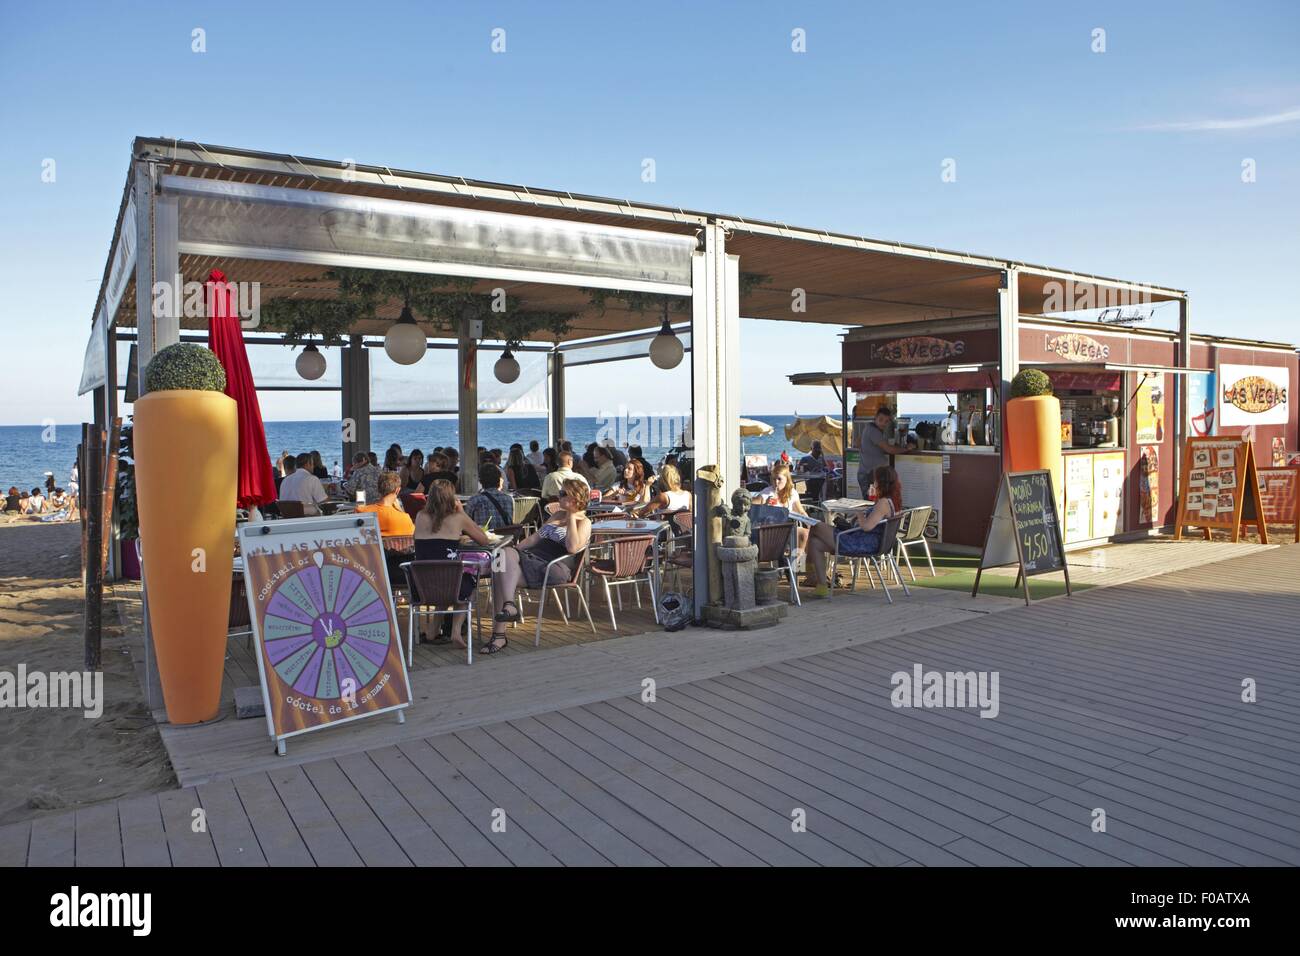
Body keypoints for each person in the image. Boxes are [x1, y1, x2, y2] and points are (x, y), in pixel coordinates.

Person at [485, 478, 592, 655]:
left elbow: (573, 547)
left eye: (563, 494)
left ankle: (501, 630)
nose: (558, 496)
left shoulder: (583, 522)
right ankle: (501, 629)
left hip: (554, 567)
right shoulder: (557, 516)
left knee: (501, 568)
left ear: (575, 499)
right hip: (534, 559)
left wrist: (572, 515)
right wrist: (513, 554)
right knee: (501, 564)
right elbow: (533, 540)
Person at [410, 479, 494, 648]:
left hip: (421, 584)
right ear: (451, 497)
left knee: (444, 577)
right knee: (466, 582)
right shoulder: (457, 518)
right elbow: (483, 539)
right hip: (450, 583)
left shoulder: (420, 516)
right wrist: (462, 513)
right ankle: (456, 630)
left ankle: (433, 630)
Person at [806, 465, 899, 597]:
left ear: (881, 482)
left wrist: (860, 515)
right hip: (867, 541)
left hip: (862, 544)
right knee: (815, 543)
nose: (873, 483)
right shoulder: (890, 501)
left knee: (817, 526)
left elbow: (867, 527)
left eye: (875, 481)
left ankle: (808, 565)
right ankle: (821, 586)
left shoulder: (883, 503)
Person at [752, 460, 809, 551]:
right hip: (770, 531)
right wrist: (765, 506)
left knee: (808, 535)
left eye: (779, 479)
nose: (776, 482)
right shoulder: (766, 493)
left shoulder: (792, 493)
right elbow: (751, 510)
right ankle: (792, 560)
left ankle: (797, 560)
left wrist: (810, 524)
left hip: (787, 528)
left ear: (787, 479)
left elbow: (801, 511)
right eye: (773, 479)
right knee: (803, 535)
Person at [857, 405, 911, 498]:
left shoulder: (869, 427)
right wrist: (907, 448)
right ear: (875, 418)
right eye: (881, 420)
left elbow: (857, 442)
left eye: (886, 421)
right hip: (869, 476)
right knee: (871, 504)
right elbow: (889, 449)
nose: (883, 423)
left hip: (870, 474)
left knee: (874, 503)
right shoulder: (874, 431)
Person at [356, 471, 415, 537]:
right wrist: (401, 511)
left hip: (372, 547)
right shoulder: (405, 519)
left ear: (378, 489)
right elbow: (413, 534)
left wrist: (360, 500)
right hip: (394, 546)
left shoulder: (362, 512)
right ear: (397, 490)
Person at [464, 464, 515, 530]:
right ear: (499, 480)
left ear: (480, 481)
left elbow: (466, 524)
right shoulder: (509, 499)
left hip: (482, 537)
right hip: (505, 538)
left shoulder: (474, 500)